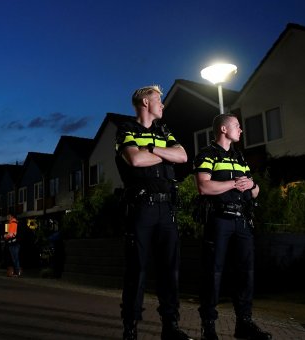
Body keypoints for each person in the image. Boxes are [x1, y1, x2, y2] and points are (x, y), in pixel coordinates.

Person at [115, 85, 191, 340]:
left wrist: (152, 150)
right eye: (159, 99)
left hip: (166, 210)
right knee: (137, 270)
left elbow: (182, 156)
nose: (162, 104)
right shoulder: (126, 129)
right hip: (141, 209)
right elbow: (135, 160)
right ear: (146, 102)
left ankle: (170, 326)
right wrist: (163, 154)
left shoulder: (163, 130)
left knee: (170, 270)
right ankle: (131, 329)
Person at [193, 113, 271, 340]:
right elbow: (204, 187)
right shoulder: (207, 154)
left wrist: (252, 184)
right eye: (237, 126)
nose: (241, 130)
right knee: (213, 274)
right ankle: (209, 327)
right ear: (224, 130)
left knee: (246, 274)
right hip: (219, 222)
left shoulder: (240, 158)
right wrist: (235, 183)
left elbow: (254, 191)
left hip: (242, 222)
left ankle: (244, 324)